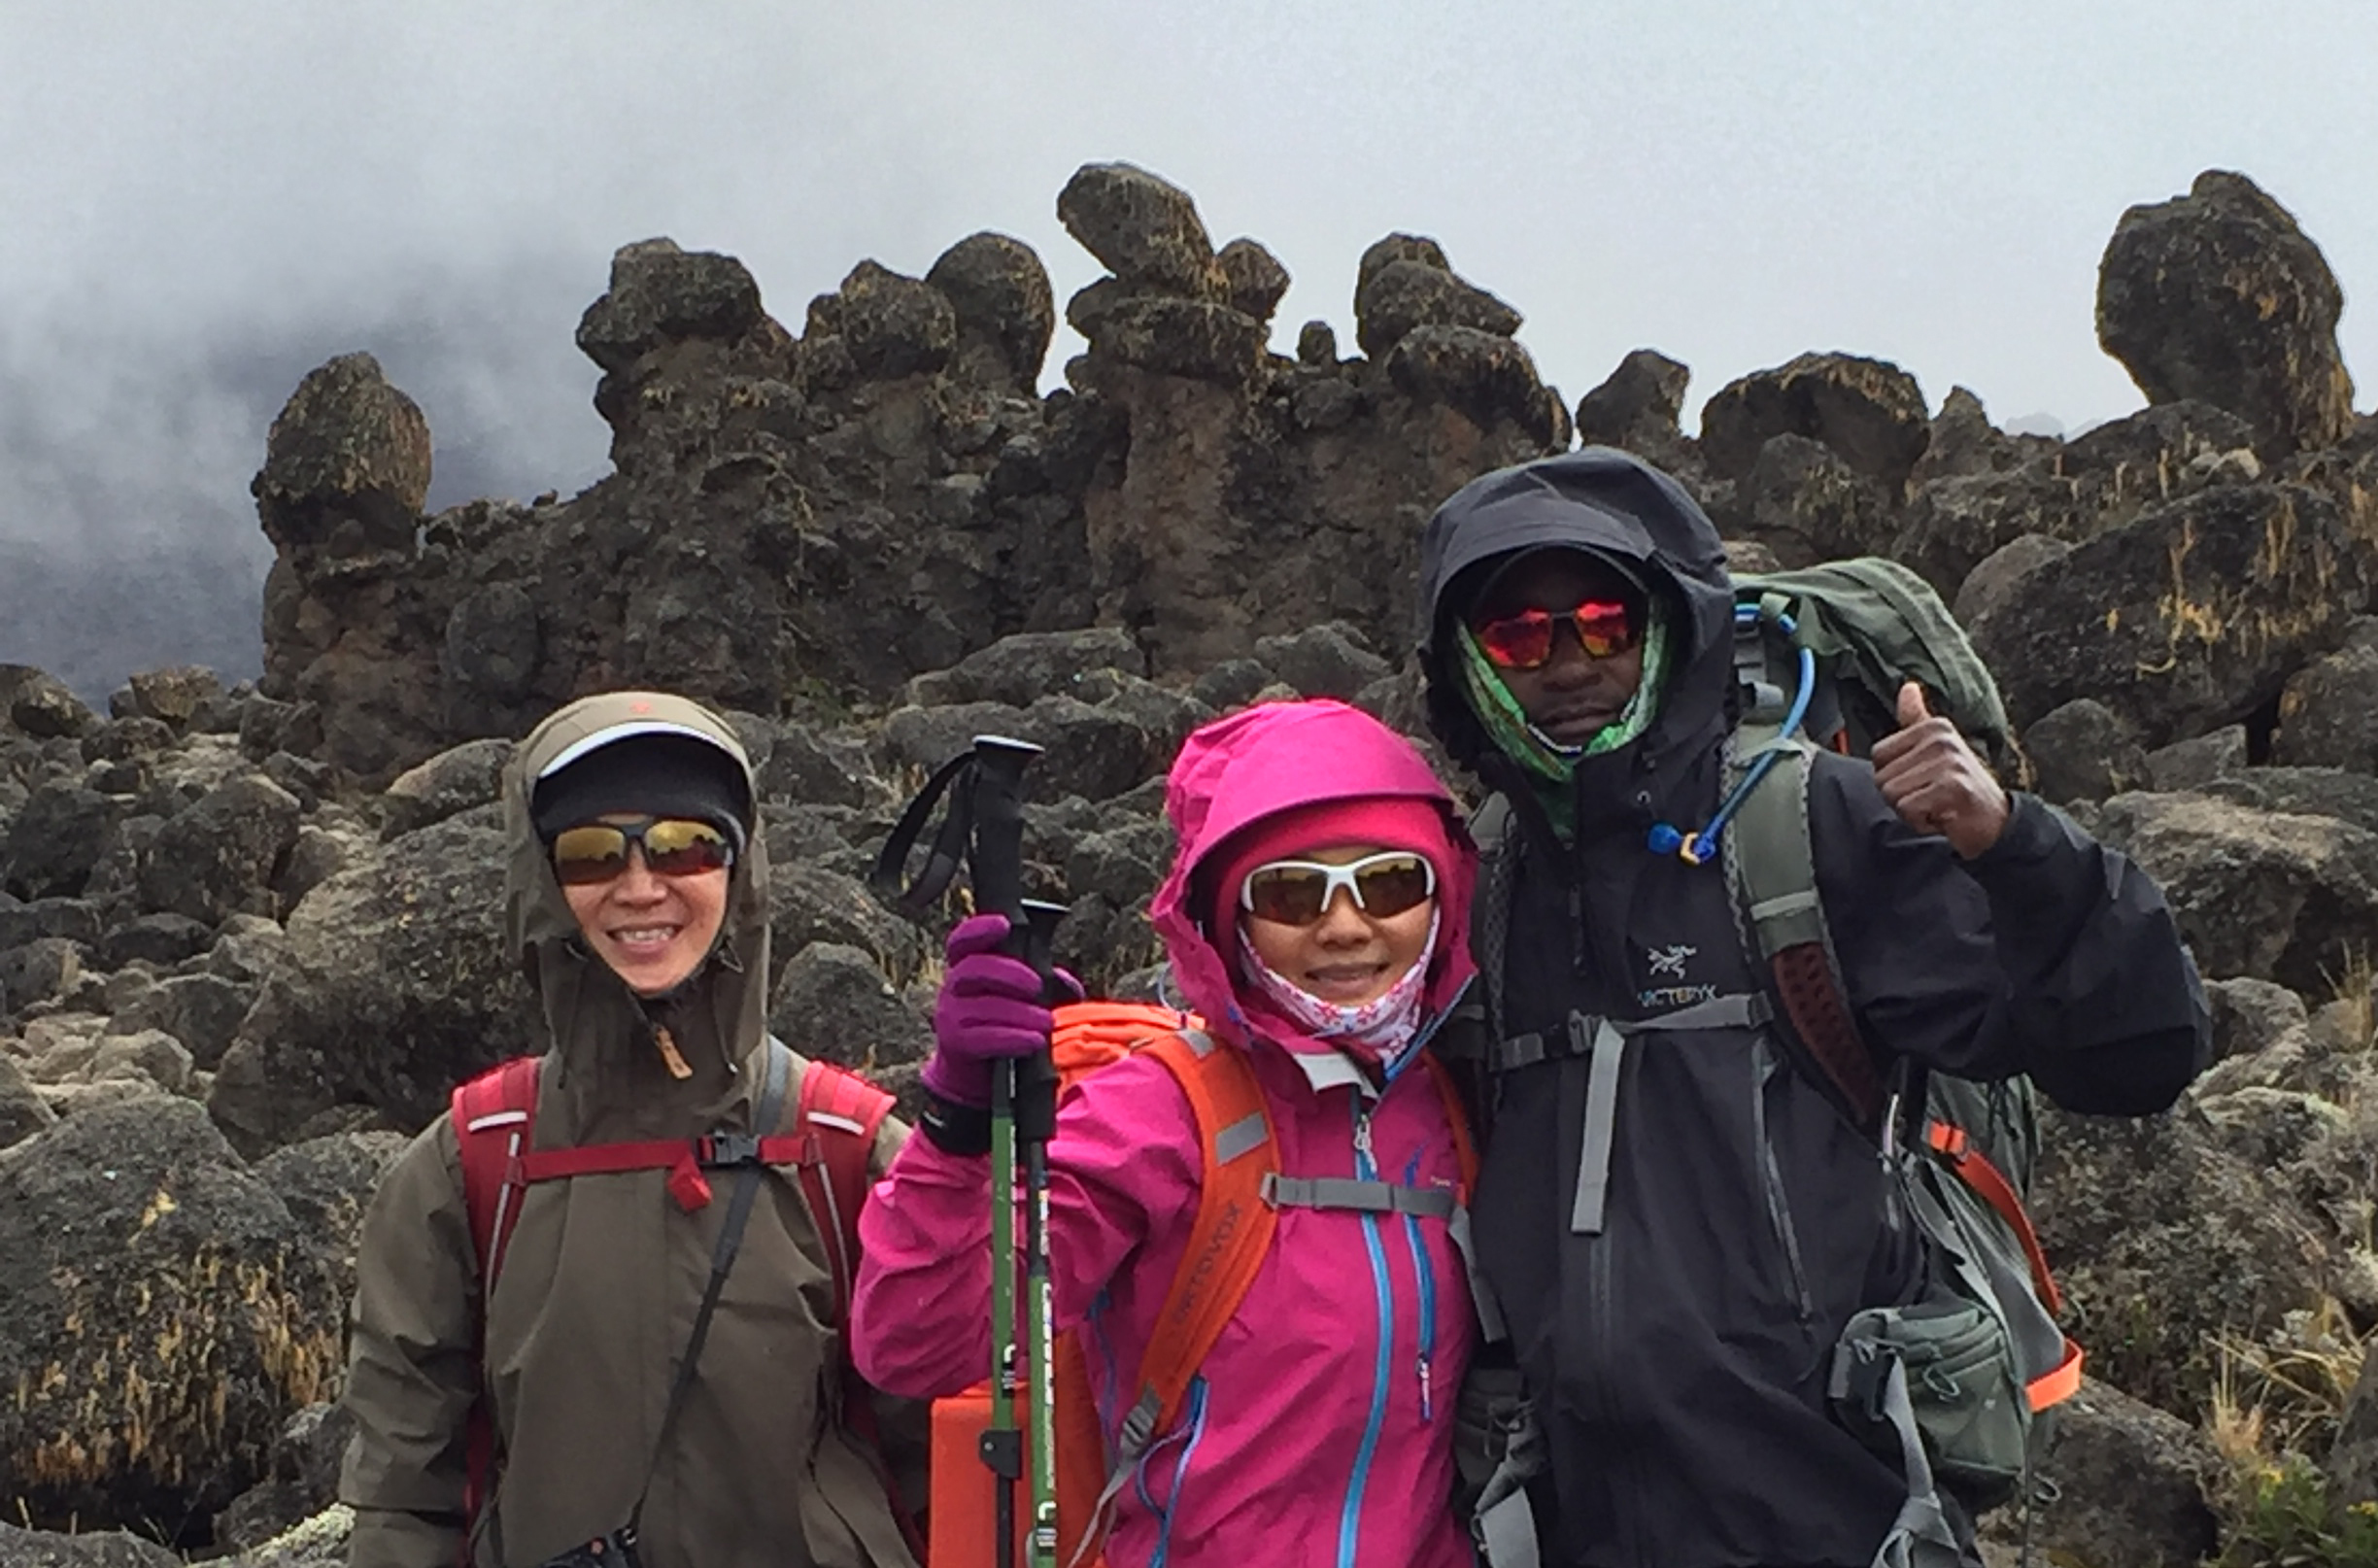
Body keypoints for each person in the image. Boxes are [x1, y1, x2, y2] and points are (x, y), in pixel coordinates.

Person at [1412, 449, 2212, 1568]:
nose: (1568, 660)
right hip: (1569, 1520)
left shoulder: (1811, 828)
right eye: (1517, 636)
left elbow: (2138, 1055)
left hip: (1834, 1513)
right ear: (1467, 661)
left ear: (1668, 627)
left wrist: (2013, 842)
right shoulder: (1476, 881)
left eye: (1604, 620)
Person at [851, 699, 1484, 1568]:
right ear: (1230, 918)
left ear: (1443, 897)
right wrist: (958, 1118)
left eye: (1388, 882)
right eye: (1293, 892)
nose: (1344, 925)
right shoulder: (1163, 1110)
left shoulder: (1455, 1100)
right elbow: (916, 1345)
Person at [340, 691, 922, 1568]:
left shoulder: (849, 1151)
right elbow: (403, 1502)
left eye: (689, 843)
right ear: (542, 883)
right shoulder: (466, 1171)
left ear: (742, 866)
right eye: (590, 854)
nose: (641, 885)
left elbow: (952, 1466)